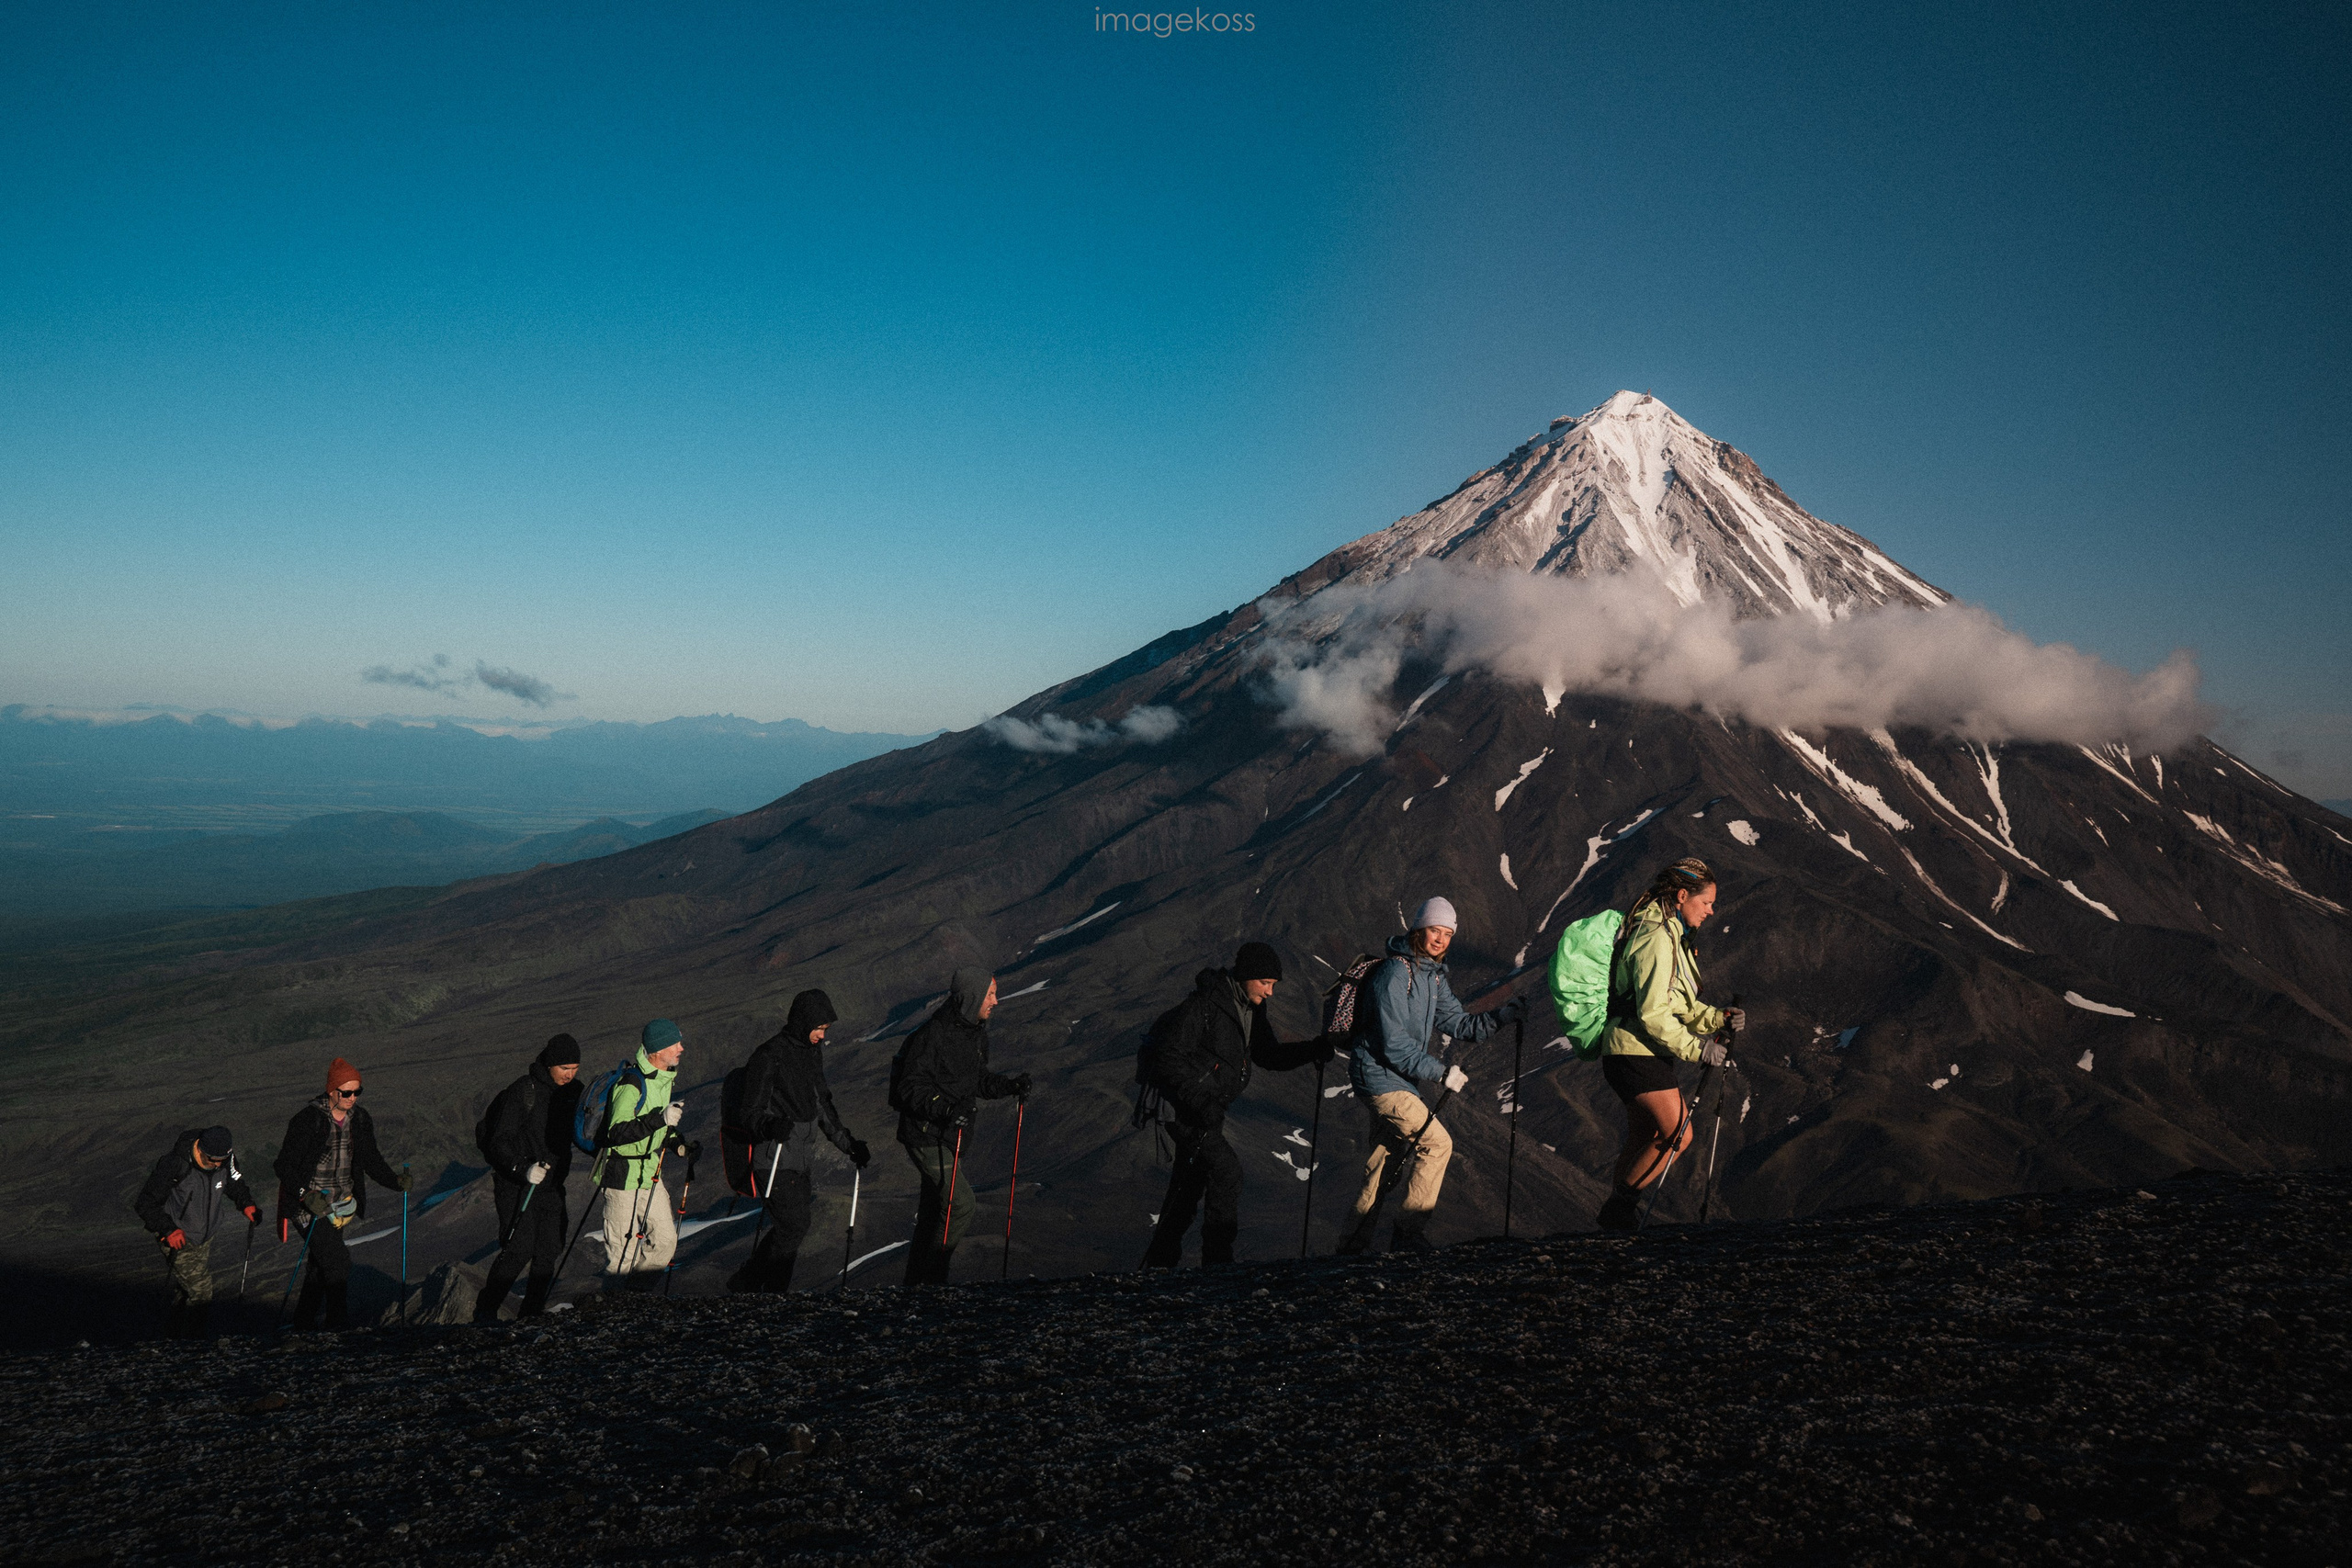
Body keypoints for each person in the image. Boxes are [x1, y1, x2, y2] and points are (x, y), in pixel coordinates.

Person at [1338, 897, 1525, 1254]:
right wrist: (1441, 1073)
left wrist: (1502, 1016)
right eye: (1434, 930)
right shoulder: (1395, 973)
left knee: (1384, 1165)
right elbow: (1393, 1044)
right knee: (1437, 1144)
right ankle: (1408, 1234)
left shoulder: (1432, 976)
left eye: (1447, 934)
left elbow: (1460, 1023)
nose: (1440, 939)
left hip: (1396, 1080)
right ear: (1419, 929)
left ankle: (1349, 1249)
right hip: (1378, 1078)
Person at [1139, 942, 1327, 1269]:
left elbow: (1268, 1055)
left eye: (1273, 985)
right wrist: (1202, 1103)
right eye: (1265, 983)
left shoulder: (1250, 1009)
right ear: (1246, 976)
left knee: (1188, 1185)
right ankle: (1218, 1262)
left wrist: (1311, 1050)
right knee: (1226, 1172)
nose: (1270, 992)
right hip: (1184, 1109)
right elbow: (1168, 1057)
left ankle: (1159, 1264)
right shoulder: (1205, 1005)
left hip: (1204, 1110)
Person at [1593, 857, 1747, 1232]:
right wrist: (1699, 1048)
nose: (1711, 911)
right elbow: (1653, 1013)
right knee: (1678, 1133)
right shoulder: (1657, 938)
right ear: (1682, 896)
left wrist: (1717, 1018)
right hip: (1636, 1050)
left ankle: (1616, 1222)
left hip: (1631, 1049)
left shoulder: (1666, 932)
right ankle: (1618, 1211)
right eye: (1706, 902)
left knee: (1645, 1135)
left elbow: (1676, 1002)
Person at [889, 967, 1029, 1286]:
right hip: (926, 1135)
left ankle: (916, 1286)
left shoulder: (974, 1032)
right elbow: (909, 1087)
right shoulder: (932, 1036)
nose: (996, 1001)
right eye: (990, 994)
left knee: (933, 1213)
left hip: (950, 1134)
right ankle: (933, 1279)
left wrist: (1009, 1086)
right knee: (960, 1205)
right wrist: (947, 1109)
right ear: (972, 997)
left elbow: (976, 1080)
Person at [728, 988, 872, 1293]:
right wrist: (769, 1125)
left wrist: (849, 1145)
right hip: (772, 1157)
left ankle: (749, 1282)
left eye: (825, 1029)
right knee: (794, 1225)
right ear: (803, 1022)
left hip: (799, 1159)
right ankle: (771, 1291)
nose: (822, 1035)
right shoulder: (769, 1056)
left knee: (792, 1227)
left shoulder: (810, 1053)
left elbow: (821, 1104)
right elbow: (749, 1113)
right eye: (818, 1028)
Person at [273, 1057, 411, 1331]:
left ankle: (302, 1325)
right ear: (332, 1090)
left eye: (357, 1092)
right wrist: (304, 1194)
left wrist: (395, 1181)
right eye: (346, 1092)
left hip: (340, 1206)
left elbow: (370, 1158)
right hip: (308, 1206)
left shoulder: (360, 1119)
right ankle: (338, 1325)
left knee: (320, 1266)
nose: (352, 1098)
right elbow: (283, 1165)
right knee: (338, 1262)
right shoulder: (308, 1120)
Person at [471, 1033, 585, 1322]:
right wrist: (523, 1168)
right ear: (549, 1065)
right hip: (516, 1185)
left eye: (575, 1068)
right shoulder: (523, 1091)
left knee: (549, 1248)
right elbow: (498, 1141)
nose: (570, 1075)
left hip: (552, 1184)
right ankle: (485, 1312)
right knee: (518, 1248)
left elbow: (583, 1129)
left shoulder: (574, 1092)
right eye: (564, 1068)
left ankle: (531, 1314)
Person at [135, 1124, 259, 1339]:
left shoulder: (226, 1159)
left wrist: (246, 1203)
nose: (218, 1164)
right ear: (200, 1149)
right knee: (201, 1291)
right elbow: (145, 1203)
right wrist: (168, 1229)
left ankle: (173, 1338)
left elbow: (234, 1183)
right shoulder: (176, 1163)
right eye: (213, 1160)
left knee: (187, 1289)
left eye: (222, 1160)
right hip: (177, 1238)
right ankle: (194, 1342)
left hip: (204, 1236)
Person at [595, 1020, 687, 1288]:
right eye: (674, 1044)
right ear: (657, 1050)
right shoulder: (631, 1083)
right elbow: (617, 1132)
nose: (681, 1048)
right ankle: (611, 1306)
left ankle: (634, 1296)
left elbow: (656, 1127)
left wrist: (678, 1144)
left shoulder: (662, 1079)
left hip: (648, 1172)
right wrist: (660, 1119)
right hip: (621, 1174)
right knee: (622, 1257)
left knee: (665, 1242)